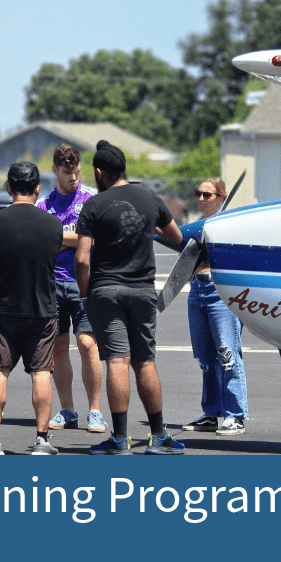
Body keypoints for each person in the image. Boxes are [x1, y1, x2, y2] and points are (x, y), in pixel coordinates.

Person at [75, 140, 183, 455]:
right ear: (123, 168)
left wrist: (85, 297)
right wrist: (145, 228)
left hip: (107, 291)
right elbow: (176, 237)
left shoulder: (94, 205)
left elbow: (82, 259)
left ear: (99, 172)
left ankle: (120, 440)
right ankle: (159, 437)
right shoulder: (150, 198)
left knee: (117, 362)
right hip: (143, 291)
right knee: (145, 362)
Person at [0, 162, 64, 455]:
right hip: (41, 308)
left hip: (3, 308)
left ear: (9, 188)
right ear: (38, 188)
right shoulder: (53, 225)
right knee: (41, 372)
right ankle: (42, 439)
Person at [35, 144, 106, 434]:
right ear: (55, 170)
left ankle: (95, 410)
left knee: (88, 344)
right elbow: (43, 240)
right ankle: (67, 409)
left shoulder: (91, 199)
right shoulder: (44, 205)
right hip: (52, 283)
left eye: (76, 171)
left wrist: (62, 237)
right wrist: (75, 236)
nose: (73, 177)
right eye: (66, 172)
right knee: (58, 347)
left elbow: (96, 238)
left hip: (84, 280)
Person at [181, 178, 249, 436]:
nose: (200, 198)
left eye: (207, 195)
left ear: (221, 197)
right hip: (196, 290)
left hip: (220, 291)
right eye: (198, 193)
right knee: (205, 358)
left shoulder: (231, 226)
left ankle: (235, 415)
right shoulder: (195, 228)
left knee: (227, 353)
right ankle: (211, 413)